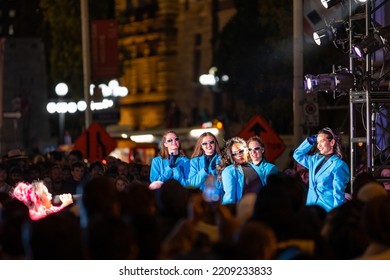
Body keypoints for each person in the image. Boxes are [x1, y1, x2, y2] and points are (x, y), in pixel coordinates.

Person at [293, 127, 350, 212]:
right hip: (311, 209)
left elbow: (338, 193)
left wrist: (335, 215)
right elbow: (297, 155)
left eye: (322, 141)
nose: (318, 146)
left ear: (332, 142)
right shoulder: (314, 160)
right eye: (317, 142)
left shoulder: (338, 165)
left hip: (327, 210)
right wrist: (309, 141)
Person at [218, 137, 275, 205]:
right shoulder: (229, 171)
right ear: (231, 156)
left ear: (246, 150)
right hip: (244, 210)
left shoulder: (255, 166)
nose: (239, 155)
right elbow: (229, 197)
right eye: (234, 154)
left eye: (241, 151)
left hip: (261, 210)